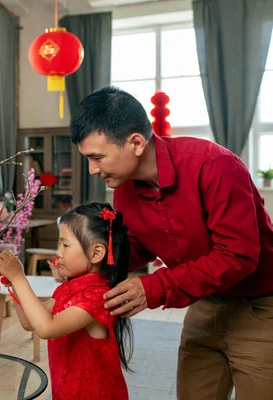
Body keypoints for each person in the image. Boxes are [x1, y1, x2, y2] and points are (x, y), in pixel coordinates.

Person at [69, 86, 273, 399]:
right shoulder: (124, 187)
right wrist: (86, 259)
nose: (93, 169)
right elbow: (138, 245)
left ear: (136, 143)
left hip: (260, 311)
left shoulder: (214, 166)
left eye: (97, 157)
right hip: (204, 306)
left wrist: (153, 287)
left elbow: (237, 255)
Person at [0, 202, 133, 400]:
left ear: (96, 253)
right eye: (59, 244)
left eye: (65, 245)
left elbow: (46, 328)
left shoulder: (98, 297)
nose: (58, 253)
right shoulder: (69, 288)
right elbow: (29, 322)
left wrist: (19, 278)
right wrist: (12, 282)